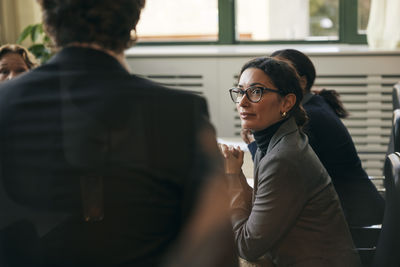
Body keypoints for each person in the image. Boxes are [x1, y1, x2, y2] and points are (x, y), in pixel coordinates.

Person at [0, 1, 236, 266]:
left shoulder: (4, 103)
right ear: (134, 21)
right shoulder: (180, 113)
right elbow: (215, 247)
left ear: (47, 22)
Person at [221, 56, 361, 266]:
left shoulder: (284, 158)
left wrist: (231, 177)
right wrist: (238, 173)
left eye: (256, 92)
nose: (242, 101)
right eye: (241, 91)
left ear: (286, 102)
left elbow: (247, 246)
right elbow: (257, 211)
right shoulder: (273, 142)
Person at [243, 49, 385, 227]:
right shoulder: (314, 104)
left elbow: (274, 173)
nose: (275, 74)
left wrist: (253, 142)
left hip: (353, 219)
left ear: (302, 82)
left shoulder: (309, 118)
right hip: (354, 209)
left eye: (282, 69)